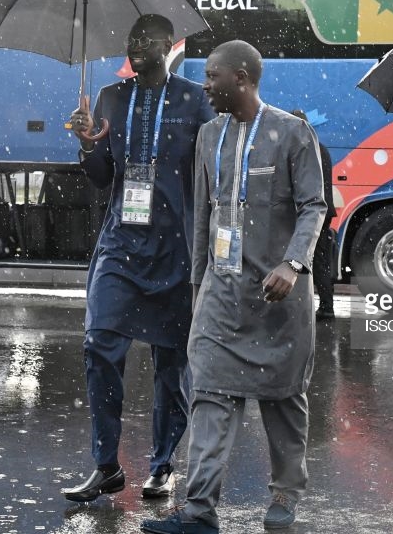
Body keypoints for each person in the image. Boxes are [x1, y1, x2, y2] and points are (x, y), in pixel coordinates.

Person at [141, 40, 327, 534]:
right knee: (207, 393)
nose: (205, 84)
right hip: (222, 293)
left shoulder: (292, 133)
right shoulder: (207, 135)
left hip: (278, 297)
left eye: (213, 76)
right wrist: (201, 285)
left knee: (284, 399)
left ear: (242, 78)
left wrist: (293, 264)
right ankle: (199, 510)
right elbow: (204, 213)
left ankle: (286, 492)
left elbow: (314, 206)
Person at [60, 14, 215, 502]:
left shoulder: (196, 100)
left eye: (147, 39)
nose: (136, 45)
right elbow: (103, 176)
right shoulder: (111, 97)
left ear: (169, 46)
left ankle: (163, 463)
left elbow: (214, 170)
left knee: (172, 365)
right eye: (131, 38)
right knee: (99, 343)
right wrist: (87, 145)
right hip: (121, 244)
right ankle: (106, 464)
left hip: (178, 249)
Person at [291, 109, 336, 319]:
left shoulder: (301, 148)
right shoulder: (322, 148)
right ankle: (327, 305)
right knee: (320, 259)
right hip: (324, 211)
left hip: (309, 211)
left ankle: (303, 305)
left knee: (300, 257)